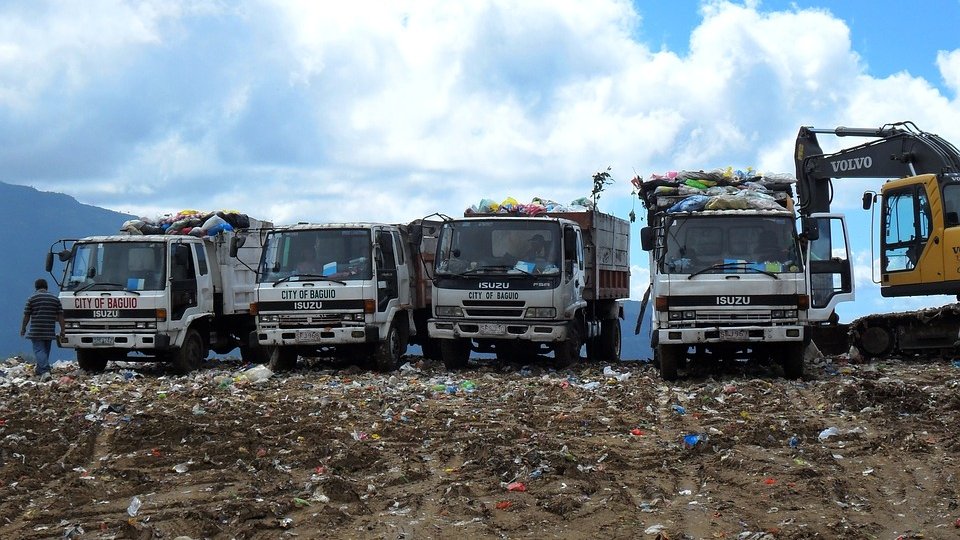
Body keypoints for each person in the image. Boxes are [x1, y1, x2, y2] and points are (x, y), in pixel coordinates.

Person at [21, 278, 65, 381]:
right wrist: (63, 330)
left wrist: (23, 328)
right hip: (49, 330)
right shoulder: (55, 299)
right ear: (46, 287)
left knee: (39, 350)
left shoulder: (32, 298)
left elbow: (27, 315)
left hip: (36, 330)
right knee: (45, 351)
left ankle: (45, 371)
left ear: (36, 287)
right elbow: (60, 316)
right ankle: (40, 370)